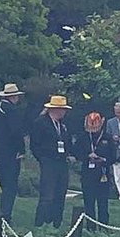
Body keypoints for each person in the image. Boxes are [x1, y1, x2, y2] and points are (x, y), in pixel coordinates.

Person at [0, 83, 27, 223]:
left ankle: (3, 212)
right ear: (13, 97)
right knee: (10, 184)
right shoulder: (11, 110)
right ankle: (6, 214)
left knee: (4, 181)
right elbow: (16, 131)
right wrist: (21, 149)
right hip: (10, 152)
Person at [31, 95, 72, 228]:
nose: (62, 112)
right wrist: (43, 158)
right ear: (52, 109)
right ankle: (40, 222)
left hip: (61, 162)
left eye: (64, 109)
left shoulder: (63, 126)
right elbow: (35, 145)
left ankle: (56, 223)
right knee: (47, 194)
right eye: (60, 109)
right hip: (48, 161)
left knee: (60, 193)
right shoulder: (40, 123)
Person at [75, 111, 113, 229]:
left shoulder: (107, 137)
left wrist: (104, 160)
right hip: (88, 173)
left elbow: (113, 156)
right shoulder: (83, 137)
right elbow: (76, 152)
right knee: (89, 202)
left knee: (103, 203)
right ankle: (90, 227)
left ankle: (104, 227)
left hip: (103, 174)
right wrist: (87, 156)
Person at [106, 102, 120, 201]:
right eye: (117, 112)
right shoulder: (110, 122)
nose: (118, 114)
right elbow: (107, 135)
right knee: (118, 175)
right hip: (116, 151)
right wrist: (112, 138)